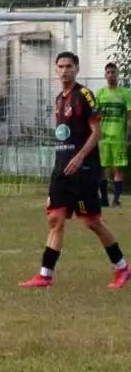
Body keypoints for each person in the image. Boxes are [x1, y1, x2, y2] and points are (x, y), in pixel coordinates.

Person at [19, 52, 131, 289]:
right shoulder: (60, 99)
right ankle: (45, 275)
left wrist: (80, 157)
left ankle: (122, 267)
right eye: (60, 66)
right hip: (62, 169)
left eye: (69, 66)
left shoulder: (84, 95)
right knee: (55, 219)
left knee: (92, 222)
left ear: (77, 69)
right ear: (56, 69)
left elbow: (96, 132)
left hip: (84, 170)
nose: (64, 70)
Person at [96, 62, 131, 206]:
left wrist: (129, 134)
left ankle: (116, 200)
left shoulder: (125, 93)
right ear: (105, 75)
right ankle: (103, 199)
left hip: (118, 138)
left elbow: (129, 116)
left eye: (113, 72)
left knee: (118, 168)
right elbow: (95, 117)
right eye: (108, 72)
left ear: (117, 74)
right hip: (103, 138)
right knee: (102, 168)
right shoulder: (100, 94)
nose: (111, 75)